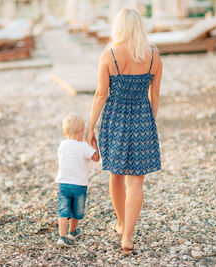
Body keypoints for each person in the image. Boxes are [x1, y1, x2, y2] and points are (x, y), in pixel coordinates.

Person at [86, 8, 162, 254]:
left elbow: (100, 94)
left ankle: (121, 223)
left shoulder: (110, 54)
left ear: (118, 27)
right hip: (142, 118)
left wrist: (89, 127)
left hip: (115, 118)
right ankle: (127, 236)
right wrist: (149, 122)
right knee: (136, 180)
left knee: (116, 174)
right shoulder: (153, 57)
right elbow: (156, 96)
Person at [56, 114, 100, 247]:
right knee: (76, 210)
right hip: (79, 185)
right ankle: (72, 231)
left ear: (64, 132)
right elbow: (96, 158)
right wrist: (94, 144)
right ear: (82, 132)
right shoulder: (83, 146)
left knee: (63, 209)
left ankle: (62, 237)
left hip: (63, 184)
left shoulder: (62, 146)